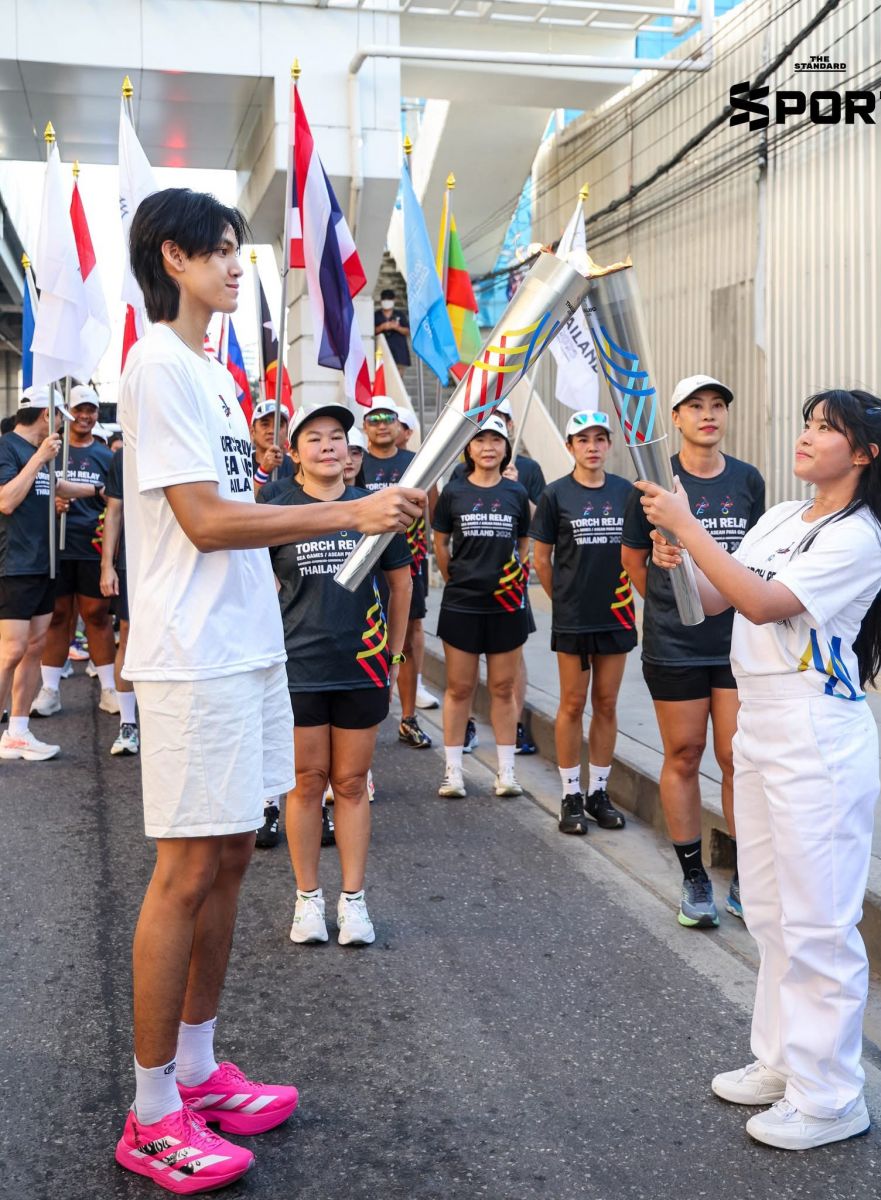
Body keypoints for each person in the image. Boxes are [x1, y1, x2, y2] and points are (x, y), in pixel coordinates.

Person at [114, 186, 425, 1192]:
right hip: (193, 654)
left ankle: (198, 1069)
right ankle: (151, 1109)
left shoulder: (208, 376)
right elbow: (205, 521)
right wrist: (349, 513)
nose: (238, 265)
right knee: (184, 873)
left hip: (247, 651)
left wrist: (367, 512)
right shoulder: (158, 366)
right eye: (221, 251)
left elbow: (240, 510)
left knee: (231, 865)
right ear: (174, 257)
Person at [640, 388, 881, 1151]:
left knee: (819, 921)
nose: (807, 436)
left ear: (865, 455)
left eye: (827, 429)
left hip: (816, 734)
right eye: (806, 422)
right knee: (766, 907)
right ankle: (783, 1061)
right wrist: (679, 556)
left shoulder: (861, 536)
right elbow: (712, 598)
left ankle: (832, 1098)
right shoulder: (782, 516)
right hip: (759, 722)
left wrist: (690, 528)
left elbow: (764, 604)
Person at [263, 402, 412, 946]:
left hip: (361, 666)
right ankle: (307, 899)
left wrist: (393, 657)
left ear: (349, 452)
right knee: (305, 784)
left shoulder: (373, 506)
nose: (328, 446)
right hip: (296, 667)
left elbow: (401, 585)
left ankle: (354, 901)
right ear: (296, 454)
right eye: (314, 438)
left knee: (349, 784)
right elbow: (254, 583)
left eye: (336, 438)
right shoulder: (274, 506)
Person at [622, 375, 765, 928]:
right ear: (676, 419)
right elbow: (635, 561)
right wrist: (669, 602)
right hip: (675, 645)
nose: (709, 414)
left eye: (717, 405)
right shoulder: (654, 486)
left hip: (735, 643)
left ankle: (747, 878)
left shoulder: (748, 480)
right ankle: (694, 877)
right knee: (683, 755)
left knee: (737, 760)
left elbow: (757, 560)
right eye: (695, 406)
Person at [531, 411, 634, 836]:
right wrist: (566, 602)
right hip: (574, 618)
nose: (592, 446)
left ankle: (598, 792)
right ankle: (571, 793)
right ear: (571, 447)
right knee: (573, 703)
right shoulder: (556, 495)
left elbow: (638, 553)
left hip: (616, 613)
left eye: (599, 438)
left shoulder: (627, 493)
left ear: (609, 445)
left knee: (607, 703)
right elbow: (541, 559)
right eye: (582, 439)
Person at [433, 415, 529, 799]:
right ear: (468, 449)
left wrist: (514, 574)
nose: (488, 447)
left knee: (504, 688)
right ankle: (453, 773)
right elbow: (440, 544)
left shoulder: (516, 493)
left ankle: (507, 773)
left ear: (506, 447)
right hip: (461, 603)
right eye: (479, 440)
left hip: (506, 604)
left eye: (495, 440)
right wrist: (456, 577)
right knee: (459, 688)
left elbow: (524, 541)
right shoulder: (453, 493)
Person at [0, 387, 91, 762]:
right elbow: (6, 500)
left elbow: (56, 487)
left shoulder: (45, 454)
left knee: (35, 647)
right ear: (43, 415)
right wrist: (39, 458)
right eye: (57, 416)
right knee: (10, 651)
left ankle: (18, 731)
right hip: (14, 563)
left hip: (43, 561)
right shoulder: (7, 447)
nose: (60, 425)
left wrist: (102, 489)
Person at [450, 398, 544, 755]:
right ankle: (469, 724)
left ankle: (515, 726)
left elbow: (538, 522)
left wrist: (515, 489)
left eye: (501, 424)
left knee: (511, 661)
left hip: (510, 585)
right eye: (483, 434)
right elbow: (448, 536)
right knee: (466, 670)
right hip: (470, 589)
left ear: (510, 431)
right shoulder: (462, 475)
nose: (490, 443)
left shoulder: (530, 470)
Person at [31, 384, 118, 719]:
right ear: (67, 412)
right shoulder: (50, 449)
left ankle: (109, 688)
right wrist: (51, 502)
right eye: (79, 410)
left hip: (92, 546)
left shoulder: (106, 456)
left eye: (91, 410)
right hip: (55, 546)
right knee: (57, 618)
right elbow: (34, 491)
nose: (84, 416)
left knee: (97, 616)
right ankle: (50, 690)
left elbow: (116, 503)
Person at [362, 396, 438, 745]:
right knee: (362, 642)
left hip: (407, 567)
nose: (381, 424)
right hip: (365, 569)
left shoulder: (416, 463)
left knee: (407, 637)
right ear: (365, 427)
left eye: (387, 418)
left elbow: (432, 511)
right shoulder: (357, 463)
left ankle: (408, 718)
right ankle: (364, 723)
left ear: (398, 425)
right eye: (373, 419)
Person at [99, 446, 139, 756]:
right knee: (127, 637)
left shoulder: (183, 439)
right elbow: (114, 510)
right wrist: (107, 565)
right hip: (133, 560)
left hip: (177, 560)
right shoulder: (124, 456)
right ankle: (128, 723)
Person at [250, 399, 294, 495]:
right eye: (265, 424)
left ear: (287, 432)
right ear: (253, 431)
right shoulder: (242, 464)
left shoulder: (297, 466)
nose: (272, 431)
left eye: (279, 424)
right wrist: (263, 472)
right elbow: (243, 503)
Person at [373, 289, 410, 368]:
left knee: (398, 376)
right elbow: (370, 332)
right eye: (384, 299)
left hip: (399, 351)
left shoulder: (400, 314)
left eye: (389, 299)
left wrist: (397, 327)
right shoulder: (376, 315)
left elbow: (407, 331)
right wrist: (382, 327)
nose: (386, 302)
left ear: (393, 300)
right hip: (380, 351)